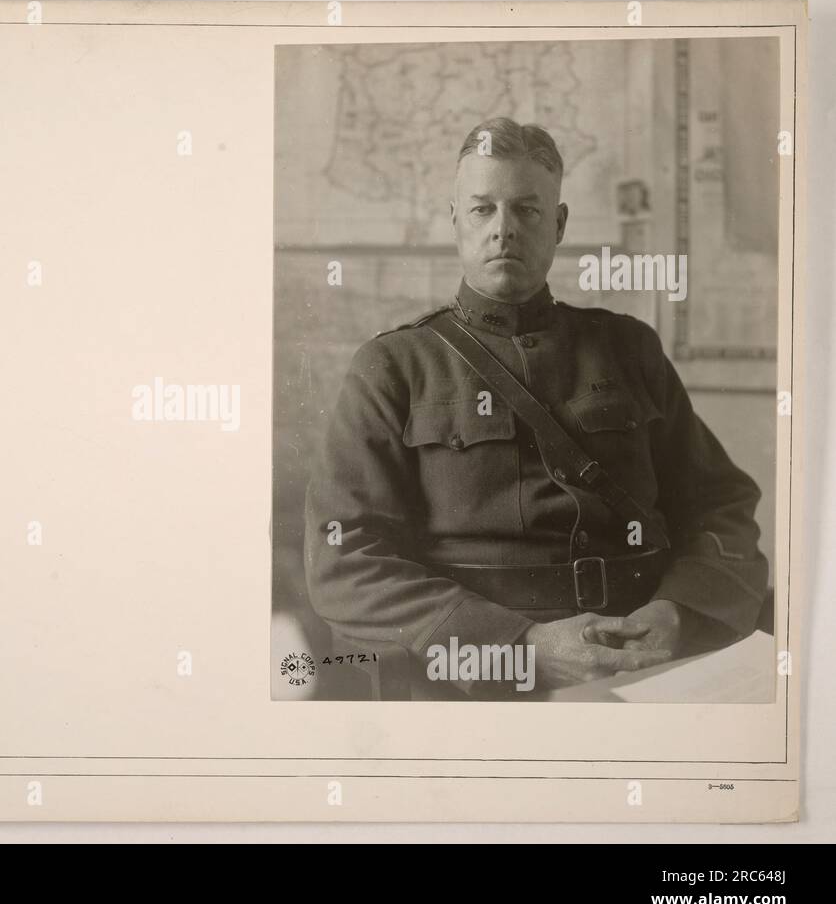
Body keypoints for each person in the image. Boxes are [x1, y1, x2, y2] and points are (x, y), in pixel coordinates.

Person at [303, 117, 769, 700]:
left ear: (559, 223)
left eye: (527, 210)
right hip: (475, 685)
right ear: (455, 221)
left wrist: (682, 610)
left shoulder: (630, 348)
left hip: (642, 666)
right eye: (482, 210)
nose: (504, 231)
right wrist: (517, 648)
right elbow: (346, 561)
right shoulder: (393, 365)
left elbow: (720, 504)